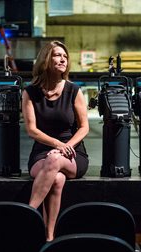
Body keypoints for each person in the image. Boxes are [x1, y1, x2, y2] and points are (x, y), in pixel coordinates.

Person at [22, 40, 90, 241]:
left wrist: (65, 147)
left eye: (65, 56)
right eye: (57, 55)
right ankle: (49, 237)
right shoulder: (30, 92)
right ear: (45, 59)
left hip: (73, 153)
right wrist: (56, 145)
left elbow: (84, 126)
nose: (62, 59)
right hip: (42, 153)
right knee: (57, 179)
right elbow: (32, 130)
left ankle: (27, 213)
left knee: (54, 162)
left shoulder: (73, 90)